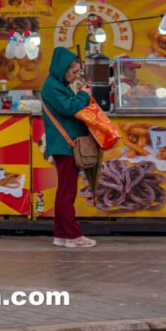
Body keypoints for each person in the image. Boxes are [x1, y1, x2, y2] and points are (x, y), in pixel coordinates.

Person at [40, 48, 96, 249]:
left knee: (65, 192)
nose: (75, 76)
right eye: (73, 72)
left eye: (78, 72)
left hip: (65, 145)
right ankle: (73, 236)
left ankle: (61, 235)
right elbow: (70, 108)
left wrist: (80, 93)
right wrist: (83, 95)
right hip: (65, 146)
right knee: (67, 193)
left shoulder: (58, 85)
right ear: (61, 69)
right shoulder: (52, 87)